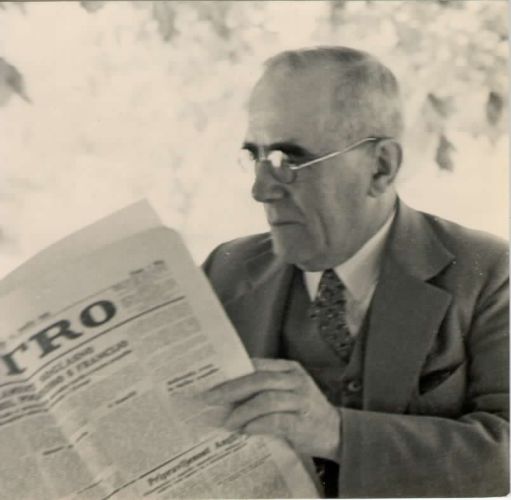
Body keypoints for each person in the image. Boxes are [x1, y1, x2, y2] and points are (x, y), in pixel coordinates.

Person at [201, 46, 509, 497]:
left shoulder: (488, 271)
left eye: (289, 160)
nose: (261, 190)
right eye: (256, 158)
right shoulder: (224, 271)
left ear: (381, 167)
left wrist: (337, 433)